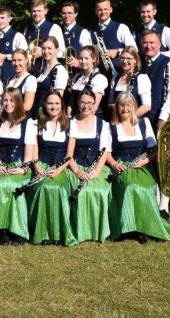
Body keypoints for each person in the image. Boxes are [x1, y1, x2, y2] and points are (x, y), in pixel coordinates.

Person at [106, 92, 170, 243]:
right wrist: (115, 164)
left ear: (134, 107)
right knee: (130, 186)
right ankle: (129, 226)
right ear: (117, 108)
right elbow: (107, 153)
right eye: (121, 105)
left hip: (142, 167)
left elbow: (154, 150)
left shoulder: (144, 123)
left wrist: (144, 161)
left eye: (128, 105)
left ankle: (147, 227)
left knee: (147, 187)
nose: (125, 109)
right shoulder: (111, 127)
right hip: (122, 167)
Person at [24, 91, 76, 246]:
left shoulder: (70, 124)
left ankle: (60, 233)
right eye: (50, 103)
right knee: (43, 187)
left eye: (57, 103)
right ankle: (43, 232)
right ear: (44, 105)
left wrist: (59, 170)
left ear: (62, 105)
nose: (54, 107)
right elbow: (34, 149)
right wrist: (37, 166)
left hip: (61, 167)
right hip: (42, 165)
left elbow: (69, 155)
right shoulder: (36, 123)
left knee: (59, 189)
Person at [141, 29, 170, 218]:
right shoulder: (139, 62)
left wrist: (163, 117)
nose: (148, 46)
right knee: (145, 160)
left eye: (152, 43)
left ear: (160, 45)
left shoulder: (169, 64)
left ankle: (164, 205)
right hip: (142, 120)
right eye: (145, 43)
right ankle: (148, 199)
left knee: (163, 161)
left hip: (160, 118)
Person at [0, 87, 36, 245]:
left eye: (11, 100)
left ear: (18, 102)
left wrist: (24, 168)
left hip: (19, 166)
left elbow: (29, 150)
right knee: (0, 183)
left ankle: (18, 230)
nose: (8, 103)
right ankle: (2, 229)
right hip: (2, 165)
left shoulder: (27, 123)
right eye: (5, 100)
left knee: (14, 186)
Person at [66, 88, 112, 243]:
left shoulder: (103, 125)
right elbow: (69, 155)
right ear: (78, 104)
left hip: (97, 167)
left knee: (98, 190)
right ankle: (80, 230)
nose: (86, 106)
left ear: (95, 105)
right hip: (76, 166)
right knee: (80, 191)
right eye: (83, 102)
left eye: (89, 103)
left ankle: (96, 230)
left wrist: (97, 171)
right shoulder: (72, 123)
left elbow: (104, 152)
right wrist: (78, 171)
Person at [90, 0, 137, 75]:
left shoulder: (121, 28)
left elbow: (134, 49)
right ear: (96, 11)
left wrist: (117, 51)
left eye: (105, 9)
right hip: (99, 75)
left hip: (120, 73)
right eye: (100, 10)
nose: (103, 12)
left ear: (111, 9)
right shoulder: (92, 31)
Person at [106, 45, 151, 119]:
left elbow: (146, 106)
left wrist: (130, 119)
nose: (125, 61)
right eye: (122, 58)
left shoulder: (141, 78)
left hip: (134, 121)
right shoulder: (115, 77)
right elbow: (110, 102)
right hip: (117, 119)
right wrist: (116, 108)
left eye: (129, 58)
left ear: (135, 60)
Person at [67, 46, 109, 119]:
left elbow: (94, 107)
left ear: (93, 59)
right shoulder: (77, 77)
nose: (83, 61)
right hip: (75, 118)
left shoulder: (98, 78)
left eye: (86, 58)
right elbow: (71, 100)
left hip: (90, 118)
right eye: (81, 58)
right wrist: (69, 115)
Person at [32, 37, 69, 115]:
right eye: (43, 48)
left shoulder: (60, 70)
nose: (46, 51)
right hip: (36, 112)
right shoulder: (43, 69)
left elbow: (58, 99)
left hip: (47, 114)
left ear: (57, 50)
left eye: (49, 48)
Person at [0, 6, 28, 85]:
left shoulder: (17, 36)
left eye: (2, 18)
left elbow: (24, 56)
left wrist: (5, 56)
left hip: (13, 78)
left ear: (9, 19)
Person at [60, 1, 92, 68]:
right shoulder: (59, 31)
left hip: (77, 73)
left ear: (76, 14)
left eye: (70, 13)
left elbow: (90, 57)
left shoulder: (83, 32)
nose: (66, 16)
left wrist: (78, 63)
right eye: (64, 13)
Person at [5, 49, 37, 114]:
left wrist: (10, 112)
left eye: (19, 60)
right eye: (14, 60)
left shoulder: (30, 79)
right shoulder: (10, 79)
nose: (16, 63)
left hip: (21, 119)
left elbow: (27, 106)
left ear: (26, 60)